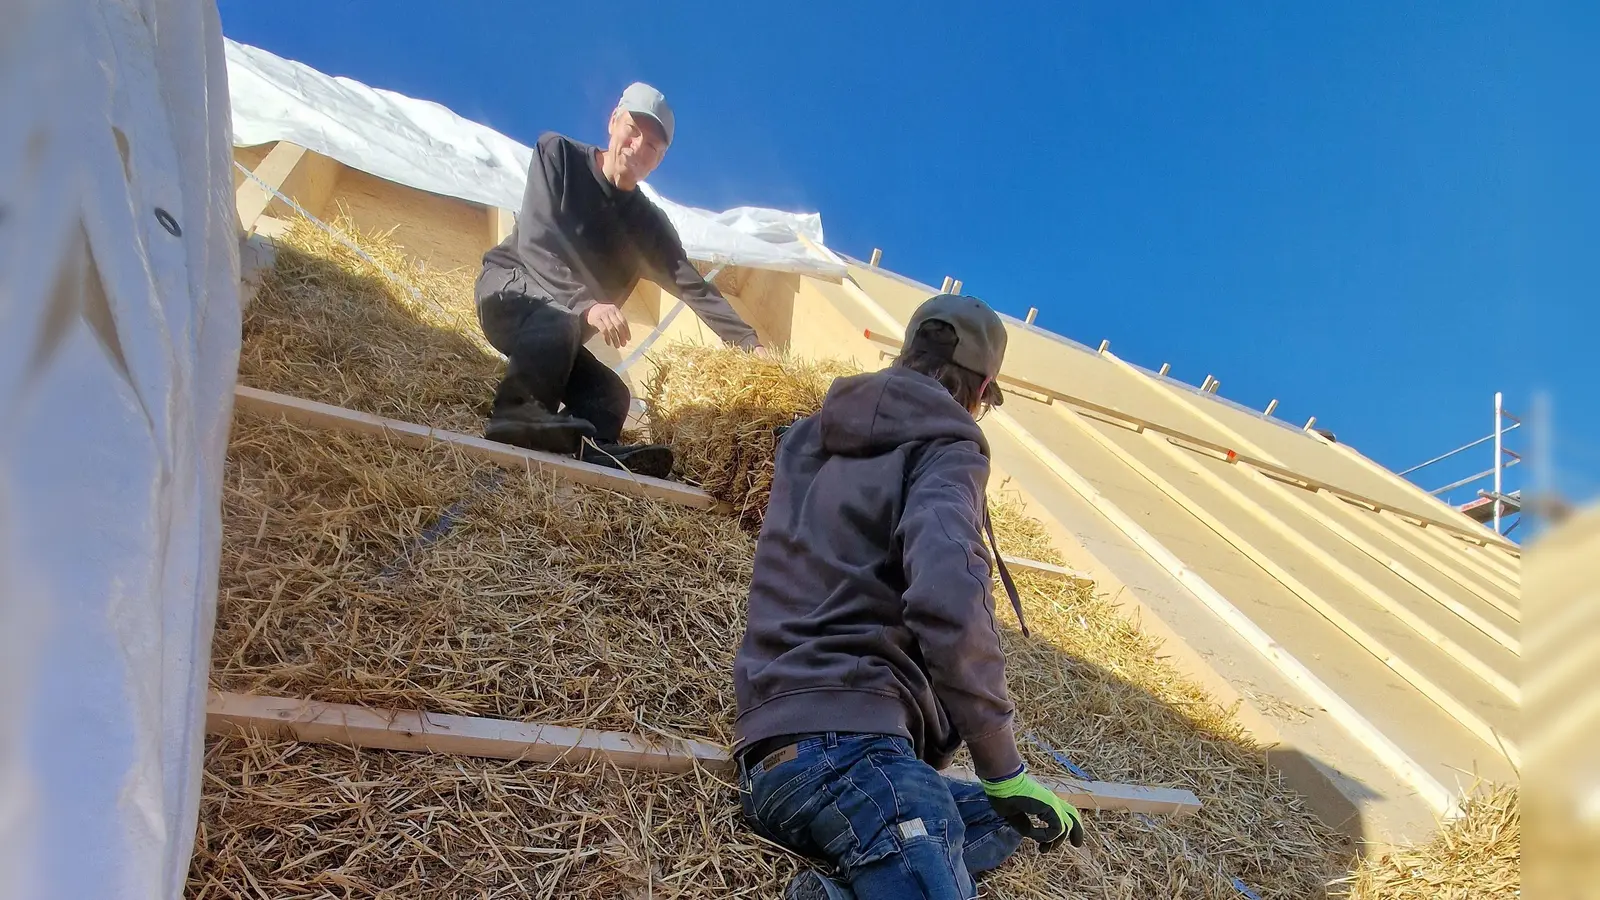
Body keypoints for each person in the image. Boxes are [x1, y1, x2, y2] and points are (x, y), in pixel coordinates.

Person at [732, 293, 1084, 899]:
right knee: (929, 807)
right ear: (981, 390)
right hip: (849, 752)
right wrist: (1003, 765)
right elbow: (948, 596)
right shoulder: (948, 448)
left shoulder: (807, 437)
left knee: (1002, 820)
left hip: (771, 764)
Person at [476, 82, 765, 478]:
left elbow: (694, 288)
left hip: (560, 334)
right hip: (509, 290)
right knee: (560, 319)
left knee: (611, 394)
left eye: (653, 146)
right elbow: (536, 241)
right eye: (633, 130)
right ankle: (516, 415)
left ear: (658, 160)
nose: (638, 146)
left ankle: (591, 447)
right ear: (613, 121)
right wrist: (587, 305)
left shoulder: (649, 227)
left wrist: (748, 343)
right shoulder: (559, 155)